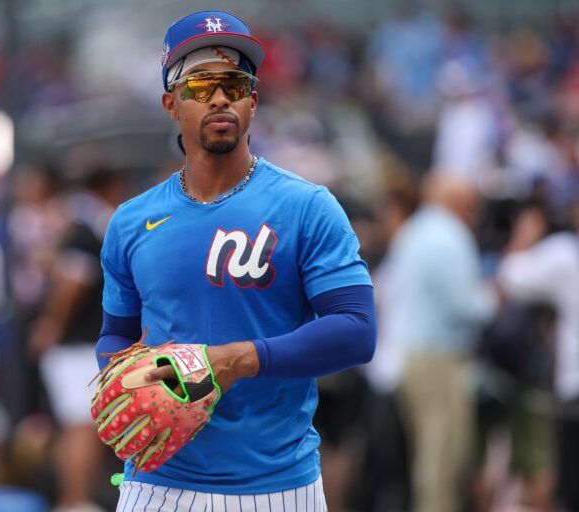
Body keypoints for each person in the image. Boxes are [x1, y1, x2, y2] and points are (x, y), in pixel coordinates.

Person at [95, 11, 376, 511]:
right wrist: (123, 378)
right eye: (200, 85)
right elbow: (116, 334)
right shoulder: (131, 221)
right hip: (156, 483)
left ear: (253, 101)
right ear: (171, 104)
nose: (220, 97)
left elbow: (357, 329)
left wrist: (238, 358)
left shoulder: (306, 206)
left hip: (277, 485)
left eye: (235, 84)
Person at [388, 173, 498, 512]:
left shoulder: (413, 230)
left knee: (428, 452)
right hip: (440, 357)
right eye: (471, 206)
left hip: (410, 354)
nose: (474, 214)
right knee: (443, 456)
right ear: (457, 203)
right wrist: (494, 299)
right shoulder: (450, 235)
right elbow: (464, 305)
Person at [29, 167, 126, 512]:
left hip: (78, 345)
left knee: (83, 426)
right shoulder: (84, 230)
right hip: (75, 346)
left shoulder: (82, 226)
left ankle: (76, 499)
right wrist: (53, 324)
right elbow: (71, 283)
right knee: (82, 426)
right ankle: (75, 501)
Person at [497, 201, 579, 512]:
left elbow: (512, 275)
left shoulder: (565, 254)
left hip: (574, 385)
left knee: (567, 480)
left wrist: (525, 235)